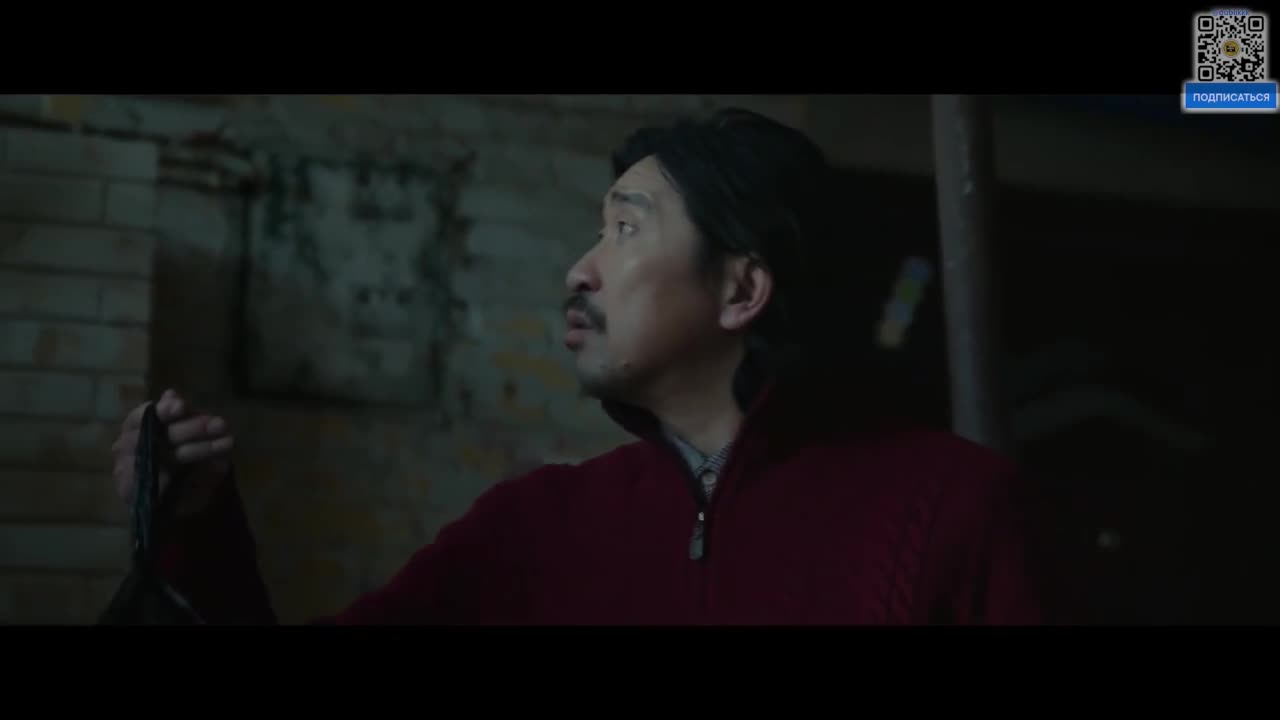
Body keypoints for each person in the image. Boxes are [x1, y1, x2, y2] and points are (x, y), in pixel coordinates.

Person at [110, 108, 1052, 624]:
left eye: (626, 230)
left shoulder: (953, 509)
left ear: (740, 289)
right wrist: (193, 528)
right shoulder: (536, 530)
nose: (579, 268)